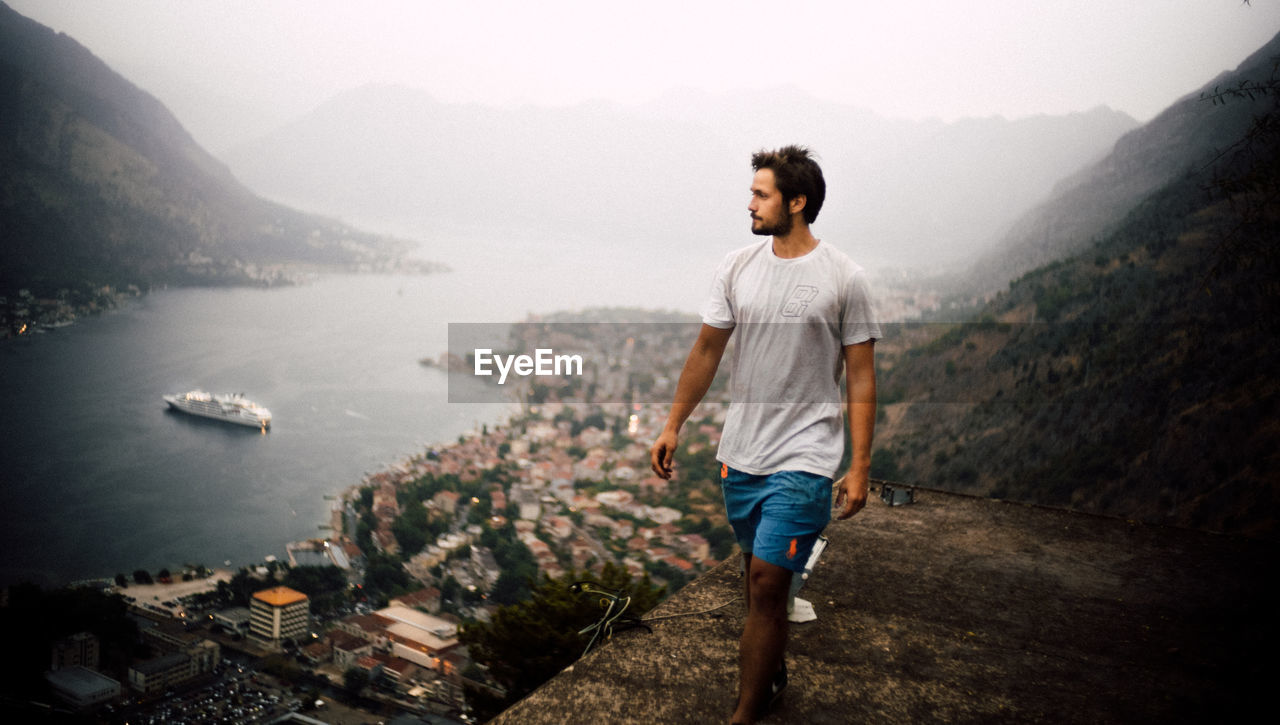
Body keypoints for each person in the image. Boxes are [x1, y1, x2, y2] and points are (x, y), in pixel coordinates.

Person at [649, 145, 879, 724]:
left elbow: (861, 374)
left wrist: (858, 465)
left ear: (796, 202)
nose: (749, 202)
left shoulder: (844, 278)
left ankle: (746, 713)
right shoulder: (736, 268)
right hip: (742, 453)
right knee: (759, 588)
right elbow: (706, 350)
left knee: (767, 582)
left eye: (761, 193)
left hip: (806, 455)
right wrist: (674, 423)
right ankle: (771, 668)